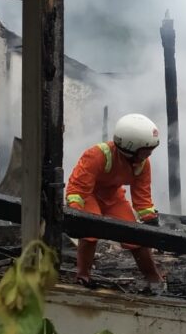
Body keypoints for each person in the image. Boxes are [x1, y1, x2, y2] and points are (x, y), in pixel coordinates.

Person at [65, 113, 165, 288]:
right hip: (89, 195)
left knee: (134, 235)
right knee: (89, 232)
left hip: (113, 196)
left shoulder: (142, 164)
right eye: (145, 150)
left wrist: (150, 220)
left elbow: (142, 197)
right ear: (129, 147)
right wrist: (76, 213)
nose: (149, 154)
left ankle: (154, 279)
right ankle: (83, 275)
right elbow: (77, 189)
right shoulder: (97, 155)